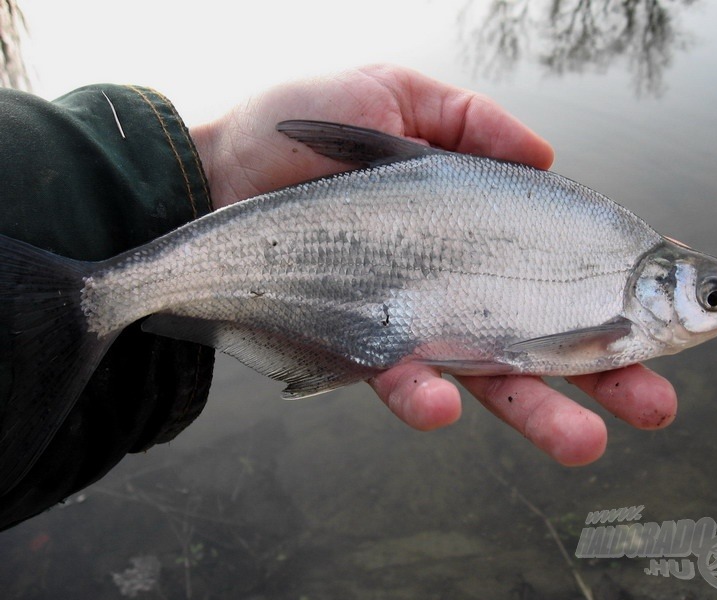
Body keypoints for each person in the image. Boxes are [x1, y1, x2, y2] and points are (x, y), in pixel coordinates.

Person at [0, 64, 676, 530]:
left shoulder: (618, 243)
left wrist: (203, 168)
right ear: (654, 286)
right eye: (712, 296)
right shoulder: (616, 283)